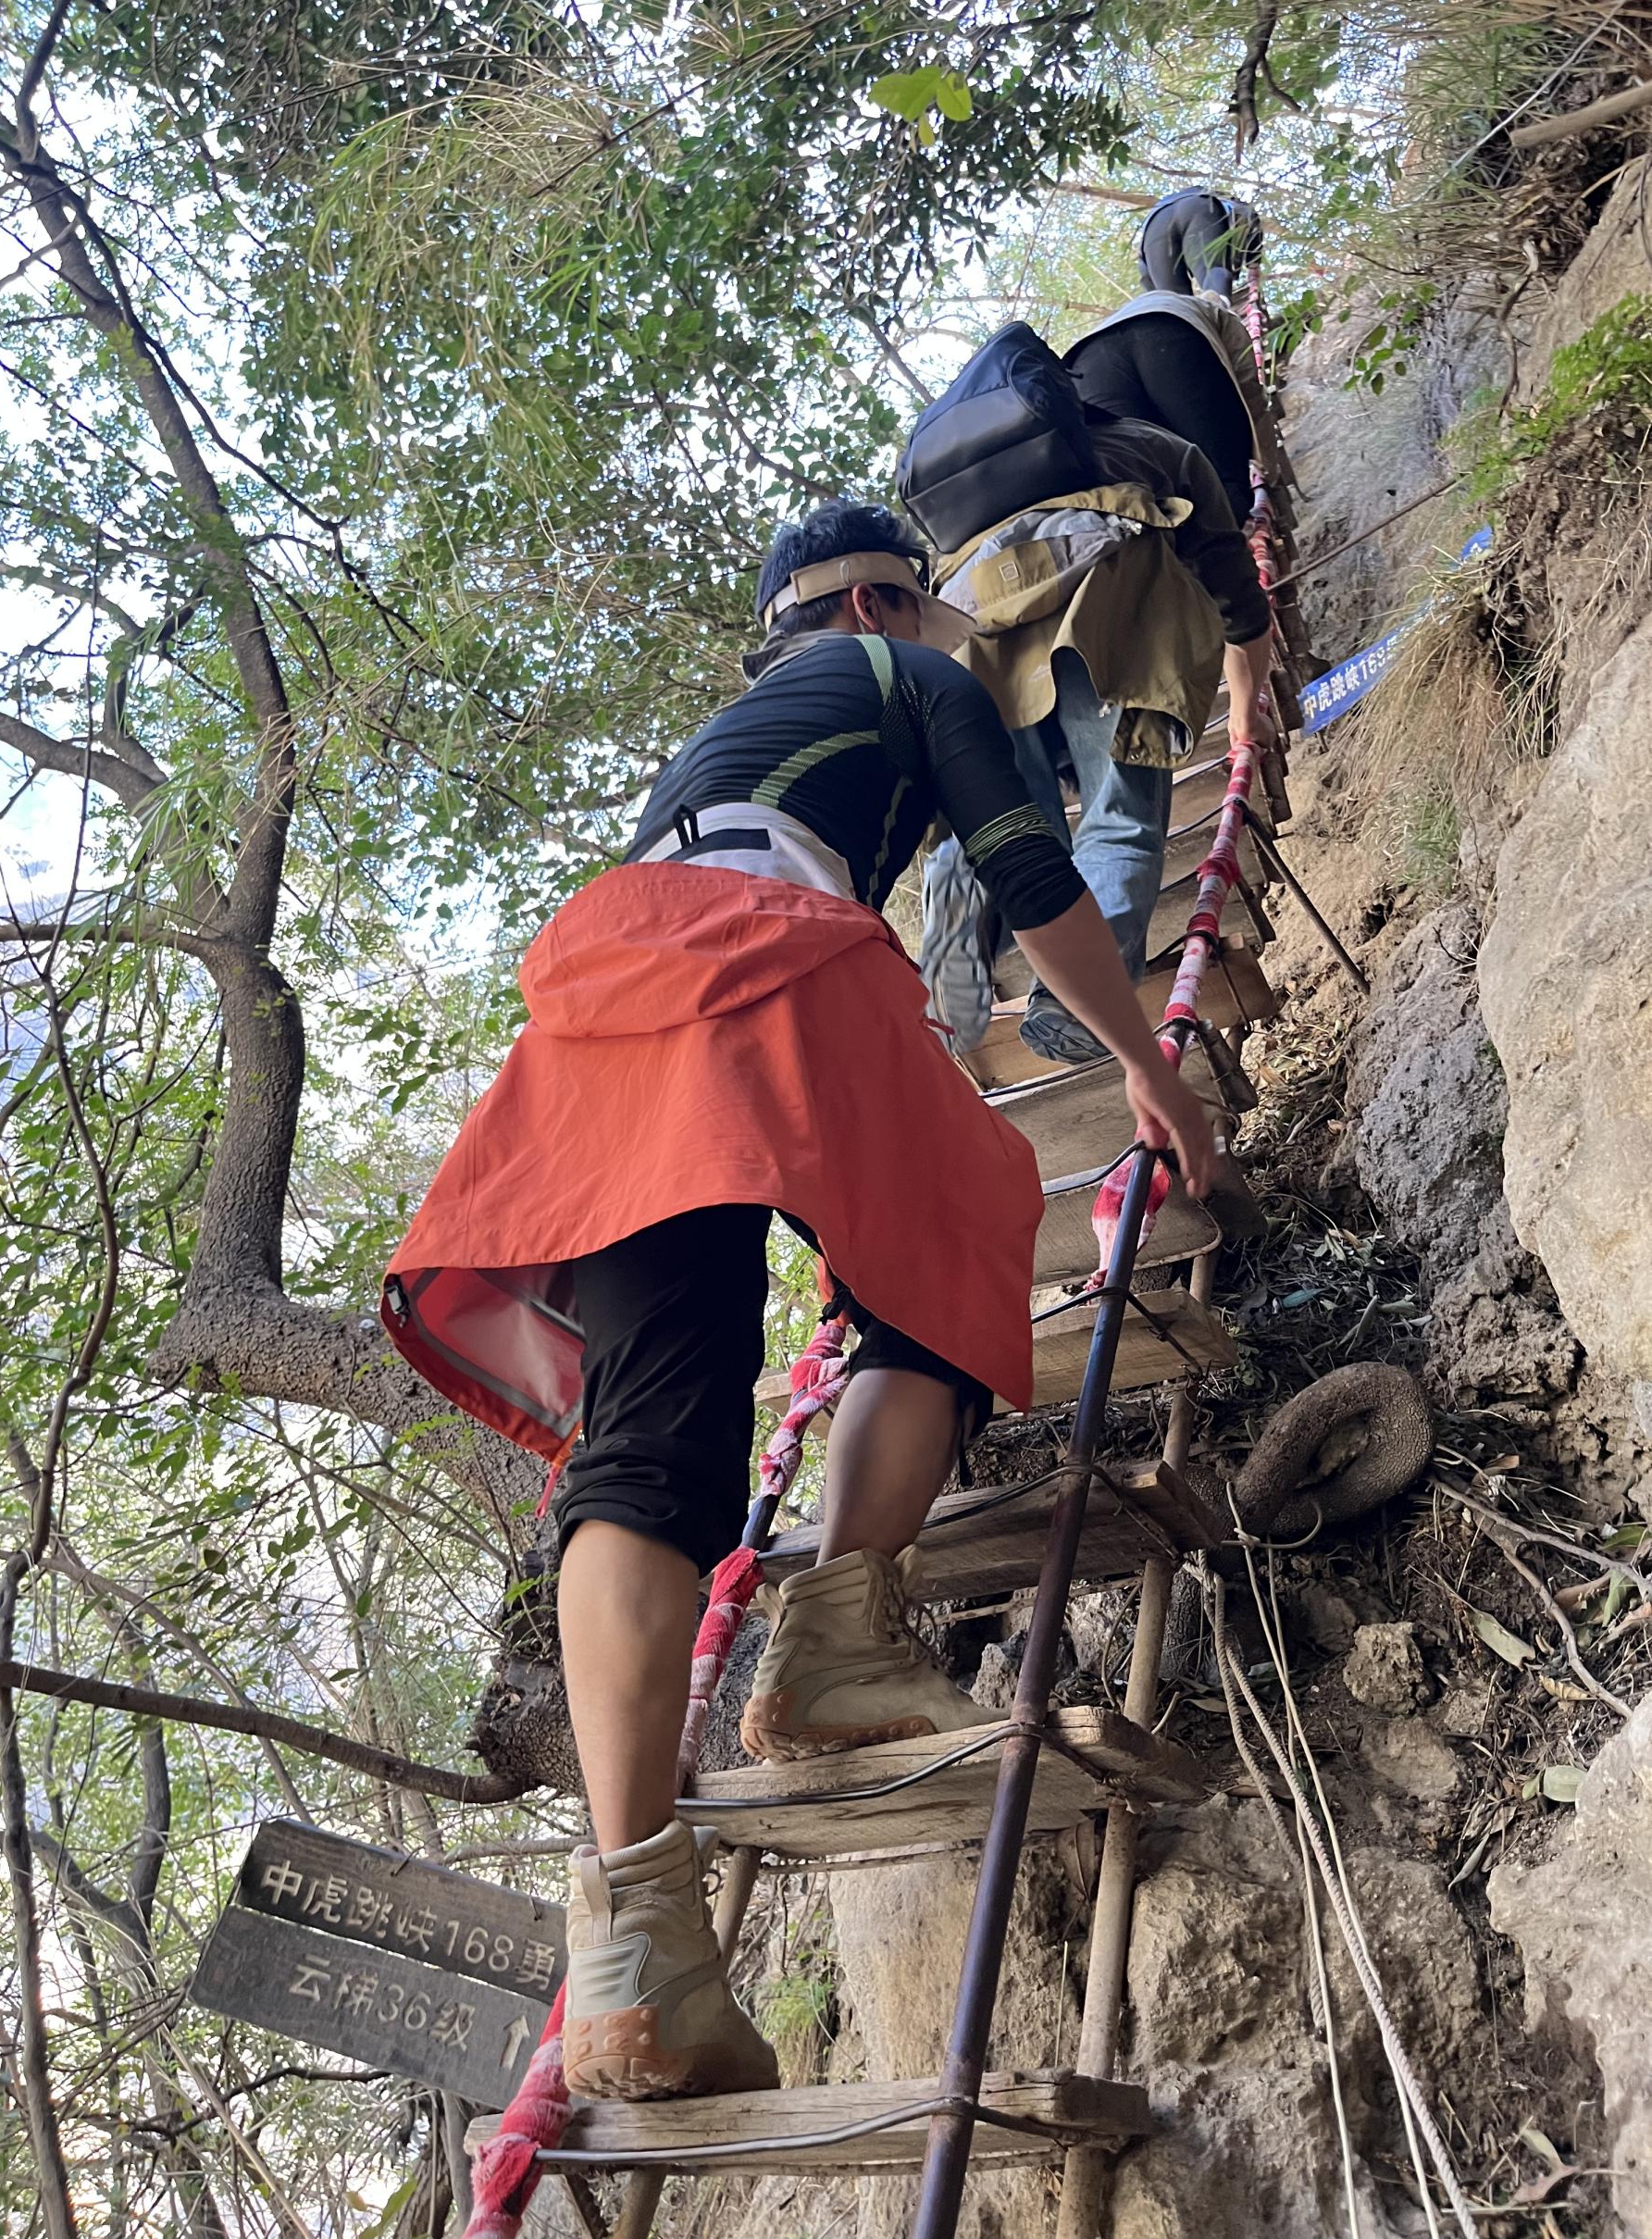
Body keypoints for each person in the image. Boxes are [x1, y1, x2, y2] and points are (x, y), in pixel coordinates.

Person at [380, 500, 1216, 2105]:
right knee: (965, 1209)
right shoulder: (910, 683)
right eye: (924, 605)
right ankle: (836, 1634)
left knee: (652, 1429)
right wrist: (1135, 1062)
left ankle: (639, 1941)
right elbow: (1026, 868)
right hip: (774, 943)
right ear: (885, 603)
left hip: (612, 973)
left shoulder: (722, 737)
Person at [919, 415, 1275, 1064]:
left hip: (970, 623)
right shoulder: (1157, 446)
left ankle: (963, 894)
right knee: (1117, 823)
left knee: (1012, 833)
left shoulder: (969, 481)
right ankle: (1077, 996)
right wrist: (1247, 711)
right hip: (1099, 600)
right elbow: (1238, 598)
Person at [1061, 288, 1283, 527]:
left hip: (1087, 362)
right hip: (1170, 330)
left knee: (1144, 496)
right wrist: (1267, 468)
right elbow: (1250, 393)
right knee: (1224, 481)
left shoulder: (1114, 322)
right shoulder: (1213, 312)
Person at [1137, 187, 1263, 302]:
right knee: (1211, 270)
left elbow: (1146, 275)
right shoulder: (1230, 202)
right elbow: (1249, 214)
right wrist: (1254, 266)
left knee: (1171, 299)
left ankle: (1178, 318)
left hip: (1155, 222)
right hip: (1200, 206)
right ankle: (1217, 305)